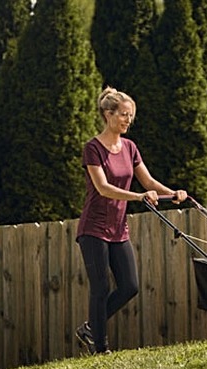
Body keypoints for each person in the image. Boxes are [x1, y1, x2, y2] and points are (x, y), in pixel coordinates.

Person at [75, 87, 187, 355]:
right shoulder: (93, 149)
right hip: (93, 228)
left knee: (129, 286)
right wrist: (138, 197)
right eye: (124, 115)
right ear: (108, 114)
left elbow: (147, 181)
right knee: (100, 287)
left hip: (118, 228)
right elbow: (103, 188)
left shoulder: (130, 147)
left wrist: (172, 193)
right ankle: (100, 348)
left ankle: (91, 327)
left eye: (131, 116)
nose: (128, 120)